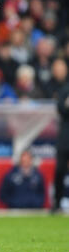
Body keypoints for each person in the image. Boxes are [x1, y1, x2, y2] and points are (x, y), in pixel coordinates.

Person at [53, 80, 69, 213]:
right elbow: (60, 109)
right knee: (60, 171)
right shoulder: (65, 89)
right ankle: (57, 202)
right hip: (65, 137)